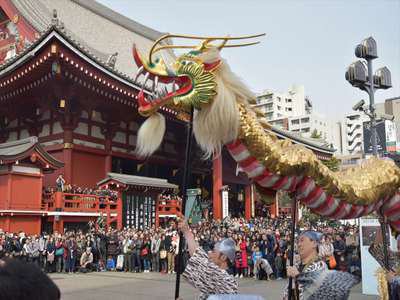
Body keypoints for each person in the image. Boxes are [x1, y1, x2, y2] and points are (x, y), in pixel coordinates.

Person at [284, 230, 358, 300]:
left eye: (302, 240)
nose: (299, 244)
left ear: (314, 243)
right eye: (298, 241)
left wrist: (297, 276)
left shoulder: (320, 266)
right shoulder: (296, 265)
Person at [178, 218, 238, 300]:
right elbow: (199, 254)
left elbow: (197, 256)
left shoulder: (223, 280)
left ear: (223, 257)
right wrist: (186, 231)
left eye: (214, 252)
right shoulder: (225, 278)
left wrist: (187, 232)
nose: (210, 253)